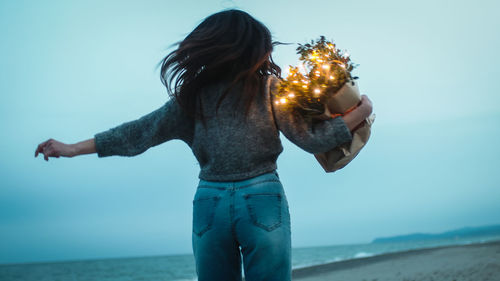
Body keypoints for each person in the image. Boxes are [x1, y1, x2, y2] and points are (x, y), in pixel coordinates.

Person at [34, 9, 373, 281]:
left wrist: (71, 148)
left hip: (210, 201)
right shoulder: (268, 88)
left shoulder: (189, 98)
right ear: (251, 49)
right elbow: (310, 140)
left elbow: (137, 133)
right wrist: (360, 113)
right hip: (261, 196)